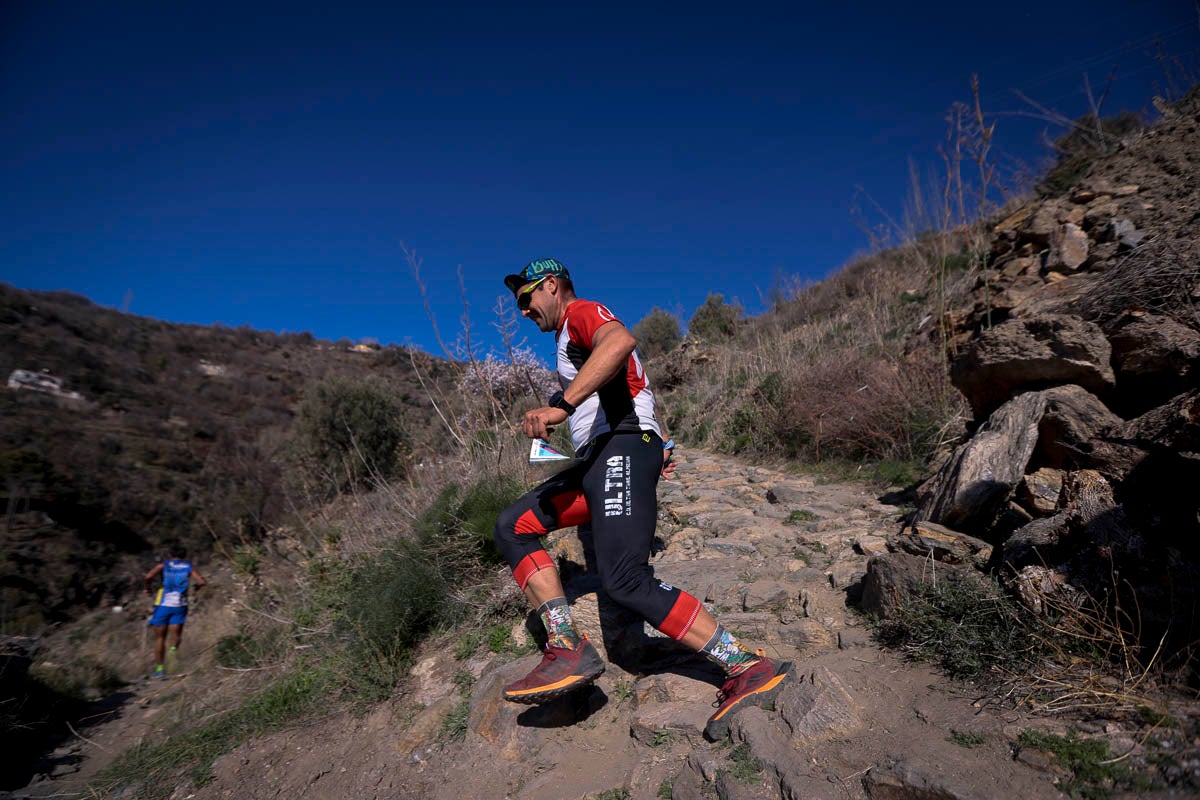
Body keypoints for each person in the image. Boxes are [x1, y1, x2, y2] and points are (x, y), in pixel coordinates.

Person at [493, 257, 793, 740]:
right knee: (514, 525)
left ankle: (745, 666)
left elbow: (621, 343)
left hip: (621, 451)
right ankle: (566, 645)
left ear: (552, 286)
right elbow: (630, 384)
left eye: (526, 300)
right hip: (604, 459)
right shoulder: (568, 341)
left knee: (625, 581)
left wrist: (562, 406)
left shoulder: (583, 313)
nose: (524, 311)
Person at [144, 544, 207, 678]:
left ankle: (160, 668)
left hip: (163, 604)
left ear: (170, 555)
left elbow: (148, 576)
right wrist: (196, 588)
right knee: (176, 634)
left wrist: (148, 588)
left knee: (160, 637)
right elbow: (201, 581)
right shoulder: (189, 566)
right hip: (180, 604)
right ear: (184, 555)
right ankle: (172, 654)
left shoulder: (164, 565)